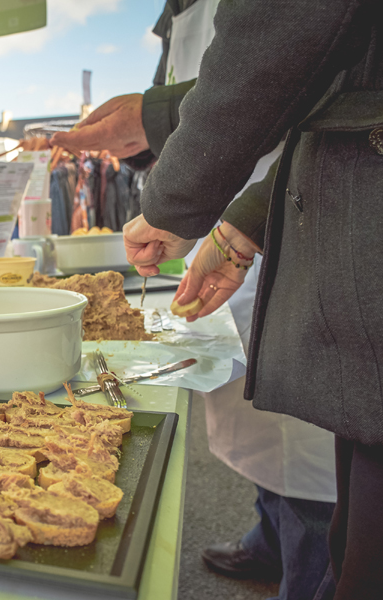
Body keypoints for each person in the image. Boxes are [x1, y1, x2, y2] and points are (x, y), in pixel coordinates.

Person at [50, 1, 338, 598]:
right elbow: (188, 113)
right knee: (253, 414)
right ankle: (270, 534)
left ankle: (310, 570)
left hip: (313, 216)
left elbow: (279, 59)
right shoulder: (173, 14)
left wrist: (165, 165)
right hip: (234, 218)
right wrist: (139, 138)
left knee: (312, 436)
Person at [114, 1, 383, 598]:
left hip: (351, 222)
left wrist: (174, 200)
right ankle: (279, 544)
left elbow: (280, 39)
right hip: (294, 204)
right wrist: (242, 226)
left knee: (355, 543)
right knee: (355, 519)